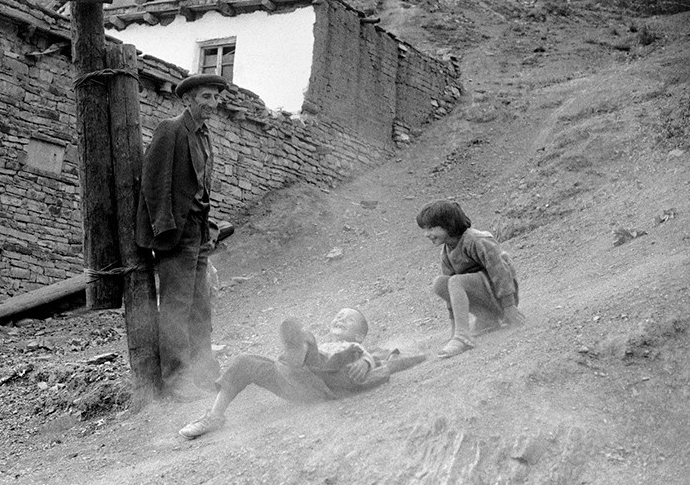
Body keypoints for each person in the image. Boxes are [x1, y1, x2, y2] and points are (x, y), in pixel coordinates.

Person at [178, 308, 428, 439]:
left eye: (349, 319)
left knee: (320, 351)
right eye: (338, 316)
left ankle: (297, 348)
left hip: (325, 382)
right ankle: (214, 416)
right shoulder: (326, 342)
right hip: (293, 379)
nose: (341, 318)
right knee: (245, 361)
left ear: (360, 334)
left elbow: (382, 356)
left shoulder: (356, 346)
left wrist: (367, 360)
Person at [135, 74, 229, 402]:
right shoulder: (171, 129)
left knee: (200, 306)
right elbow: (153, 181)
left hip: (199, 231)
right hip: (177, 232)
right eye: (206, 97)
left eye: (216, 98)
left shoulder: (204, 137)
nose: (213, 104)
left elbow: (201, 187)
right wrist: (166, 228)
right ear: (188, 99)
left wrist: (209, 228)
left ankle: (203, 374)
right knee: (176, 306)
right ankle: (176, 379)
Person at [416, 199, 525, 359]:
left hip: (503, 296)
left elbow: (500, 272)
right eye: (425, 229)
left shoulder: (477, 240)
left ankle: (463, 338)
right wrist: (454, 329)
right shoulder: (446, 251)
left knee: (455, 281)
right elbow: (450, 293)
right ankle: (486, 319)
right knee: (440, 283)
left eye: (431, 228)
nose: (427, 234)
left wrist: (509, 306)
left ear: (448, 224)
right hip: (488, 299)